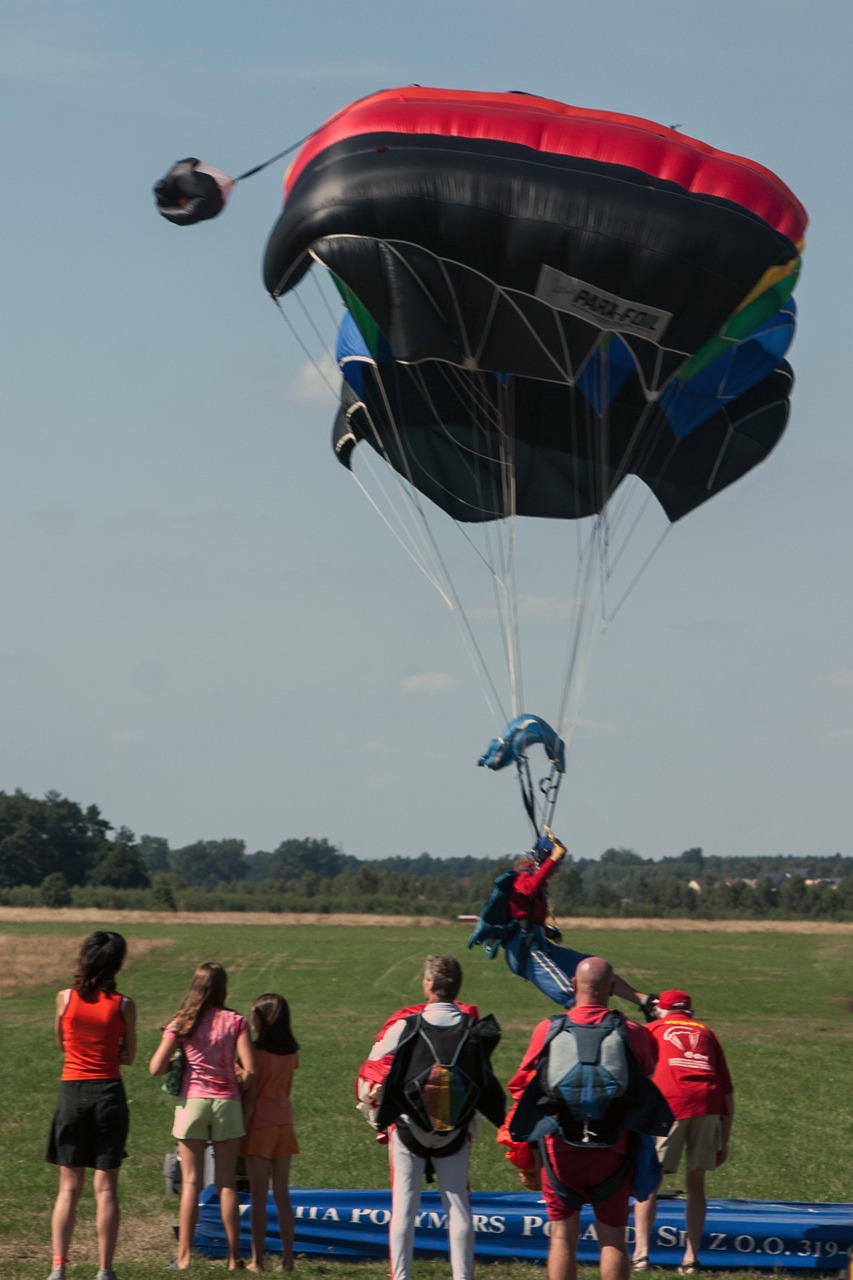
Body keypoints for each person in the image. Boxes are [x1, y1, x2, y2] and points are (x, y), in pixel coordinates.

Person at [501, 956, 663, 1280]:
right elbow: (646, 1075)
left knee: (562, 1235)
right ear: (613, 990)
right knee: (613, 1239)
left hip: (560, 1149)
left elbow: (522, 1086)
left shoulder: (549, 1029)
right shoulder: (631, 1031)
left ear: (574, 987)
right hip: (614, 1148)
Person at [355, 954, 504, 1280]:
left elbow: (373, 1067)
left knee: (404, 1211)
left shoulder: (405, 1026)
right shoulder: (474, 1029)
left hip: (409, 1129)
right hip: (455, 1130)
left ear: (429, 985)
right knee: (459, 1209)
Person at [469, 829, 657, 1015]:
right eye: (556, 864)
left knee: (593, 968)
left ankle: (643, 1000)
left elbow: (529, 913)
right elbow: (527, 891)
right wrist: (554, 858)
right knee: (570, 994)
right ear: (544, 860)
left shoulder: (536, 884)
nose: (557, 870)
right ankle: (594, 1025)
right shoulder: (522, 878)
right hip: (524, 951)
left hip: (540, 945)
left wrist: (550, 932)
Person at [149, 961, 256, 1272]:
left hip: (192, 1101)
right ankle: (235, 1258)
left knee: (192, 1182)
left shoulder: (182, 1022)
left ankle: (183, 1257)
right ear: (223, 987)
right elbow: (250, 1070)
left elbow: (155, 1067)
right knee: (226, 1184)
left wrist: (177, 1063)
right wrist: (237, 1080)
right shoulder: (236, 1021)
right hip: (226, 1102)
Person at [46, 930, 137, 1280]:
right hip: (109, 1093)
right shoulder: (124, 1005)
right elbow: (128, 1056)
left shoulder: (64, 998)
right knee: (106, 1188)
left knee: (68, 1187)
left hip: (71, 1090)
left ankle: (59, 1267)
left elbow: (62, 1045)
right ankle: (105, 1269)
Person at [632, 989, 734, 1275]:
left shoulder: (652, 1029)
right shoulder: (707, 1032)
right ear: (689, 1011)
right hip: (707, 1101)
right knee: (696, 1183)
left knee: (649, 1181)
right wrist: (724, 1139)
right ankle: (691, 1258)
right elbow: (727, 1092)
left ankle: (641, 1254)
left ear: (661, 1010)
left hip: (671, 1102)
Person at [239, 993, 300, 1273]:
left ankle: (257, 1260)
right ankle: (288, 1259)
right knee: (282, 1194)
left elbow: (249, 1090)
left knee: (259, 1196)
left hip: (259, 1125)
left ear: (263, 1019)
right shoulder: (291, 1054)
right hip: (284, 1123)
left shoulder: (255, 1054)